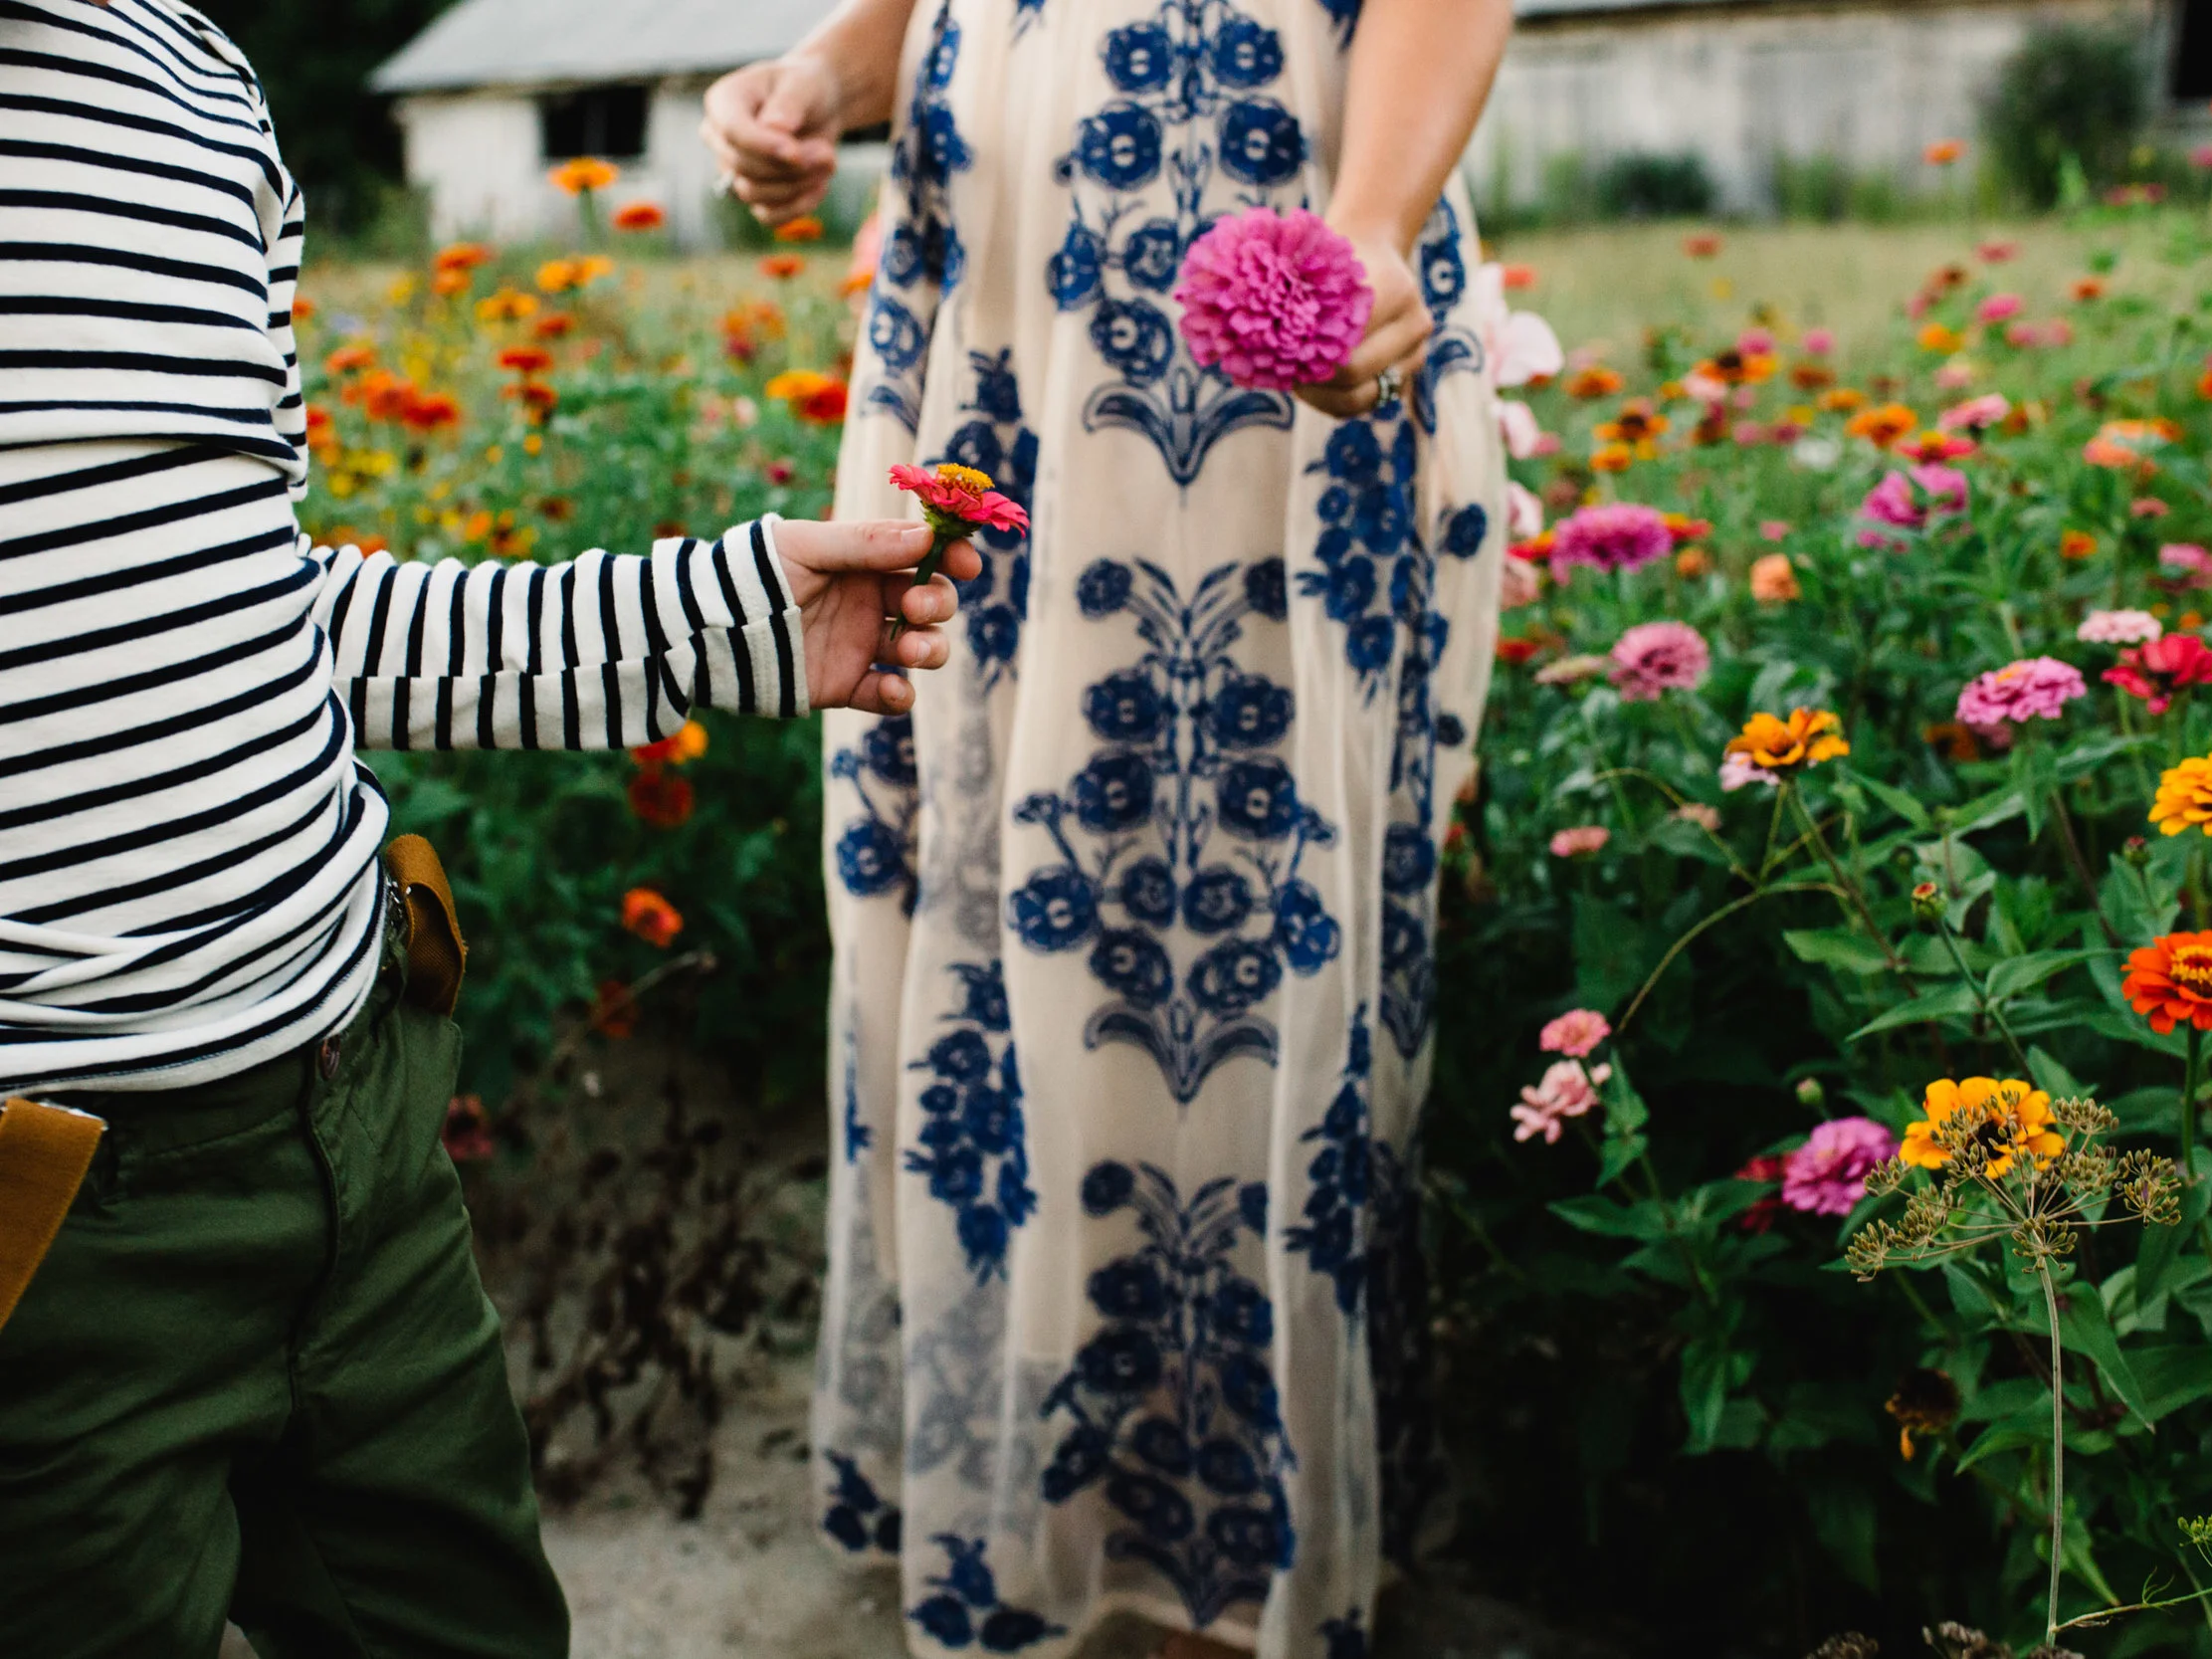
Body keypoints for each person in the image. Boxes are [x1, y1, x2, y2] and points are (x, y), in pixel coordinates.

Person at [0, 3, 975, 1654]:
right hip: (49, 1229)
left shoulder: (180, 76)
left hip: (348, 1100)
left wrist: (716, 618)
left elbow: (253, 608)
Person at [703, 1, 1512, 1652]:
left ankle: (1231, 1547)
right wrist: (811, 87)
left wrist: (1370, 222)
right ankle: (1038, 1509)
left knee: (1248, 885)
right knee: (991, 888)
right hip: (987, 327)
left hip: (1276, 293)